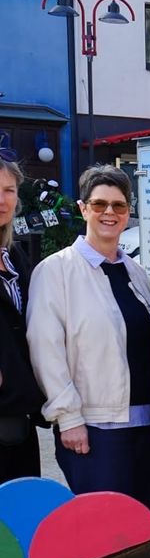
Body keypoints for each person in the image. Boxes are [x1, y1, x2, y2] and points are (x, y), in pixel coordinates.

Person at [27, 165, 150, 525]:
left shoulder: (135, 272)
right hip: (95, 430)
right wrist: (68, 418)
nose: (110, 213)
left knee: (144, 529)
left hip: (146, 427)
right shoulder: (55, 271)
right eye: (100, 203)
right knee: (105, 531)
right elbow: (46, 349)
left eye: (119, 206)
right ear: (83, 208)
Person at [0, 156, 44, 482]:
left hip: (19, 413)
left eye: (9, 190)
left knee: (19, 519)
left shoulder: (15, 257)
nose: (2, 200)